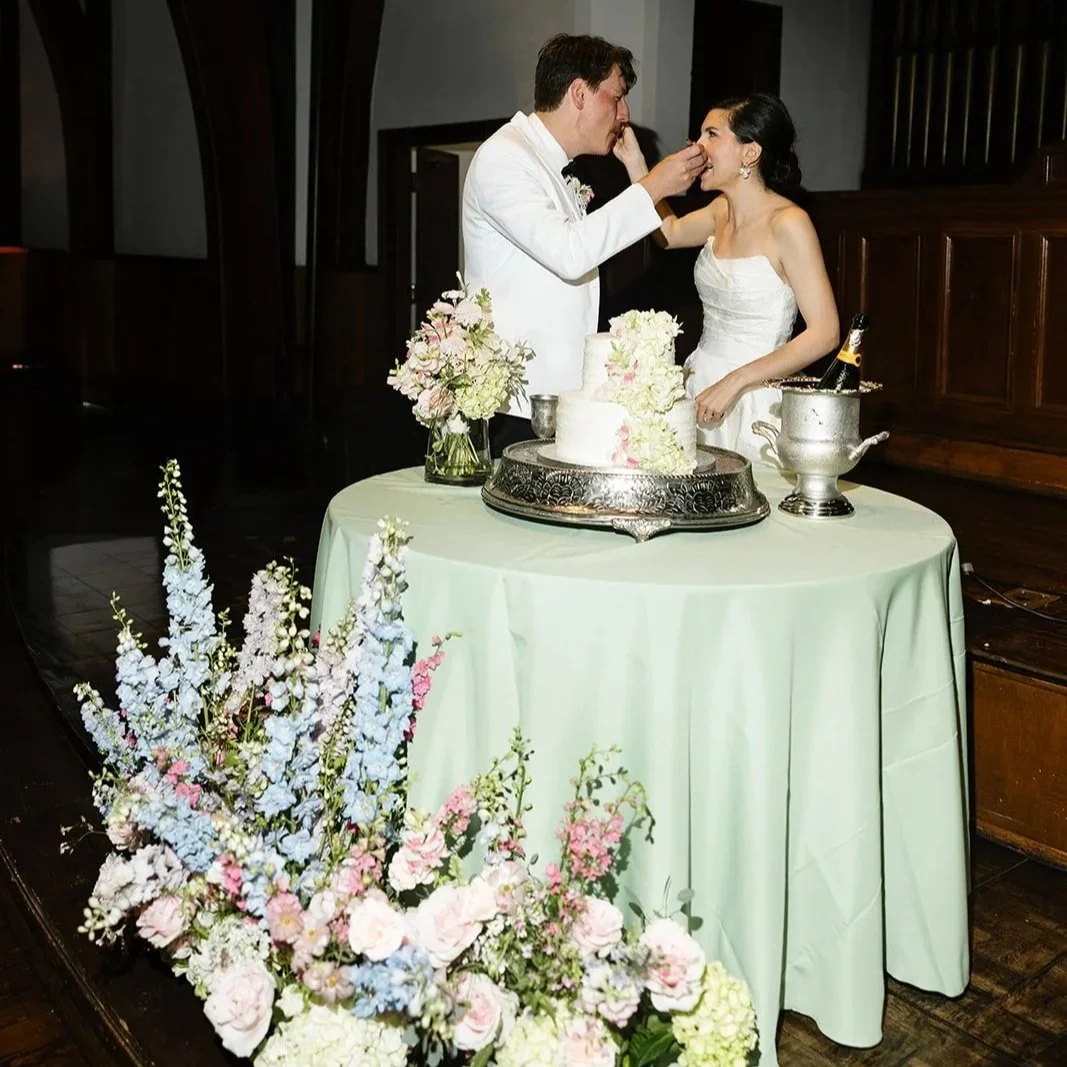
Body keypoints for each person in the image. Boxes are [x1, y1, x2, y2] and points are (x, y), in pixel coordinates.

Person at [461, 33, 707, 451]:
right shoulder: (504, 157)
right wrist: (651, 186)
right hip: (512, 405)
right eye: (616, 98)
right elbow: (570, 253)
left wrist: (639, 172)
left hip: (554, 400)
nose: (624, 114)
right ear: (578, 92)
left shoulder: (552, 165)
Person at [613, 92, 840, 464]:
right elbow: (667, 233)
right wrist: (636, 164)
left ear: (750, 153)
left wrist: (736, 381)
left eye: (711, 135)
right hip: (700, 384)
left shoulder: (789, 224)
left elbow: (826, 332)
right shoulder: (720, 210)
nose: (697, 146)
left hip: (754, 397)